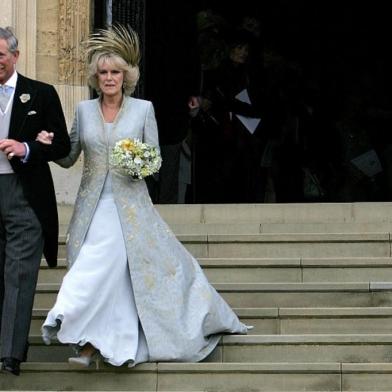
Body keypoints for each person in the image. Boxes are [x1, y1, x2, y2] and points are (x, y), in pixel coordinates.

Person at [39, 25, 248, 368]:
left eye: (115, 73)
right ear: (96, 77)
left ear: (126, 76)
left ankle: (82, 334)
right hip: (91, 209)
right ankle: (95, 344)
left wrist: (138, 165)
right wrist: (47, 146)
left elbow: (155, 160)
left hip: (130, 211)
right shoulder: (83, 112)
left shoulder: (143, 109)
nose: (109, 78)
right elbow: (69, 156)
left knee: (101, 270)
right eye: (103, 72)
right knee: (102, 273)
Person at [0, 27, 70, 376]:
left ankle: (9, 354)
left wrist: (28, 148)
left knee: (19, 273)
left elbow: (62, 146)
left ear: (15, 55)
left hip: (24, 194)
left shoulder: (40, 94)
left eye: (0, 54)